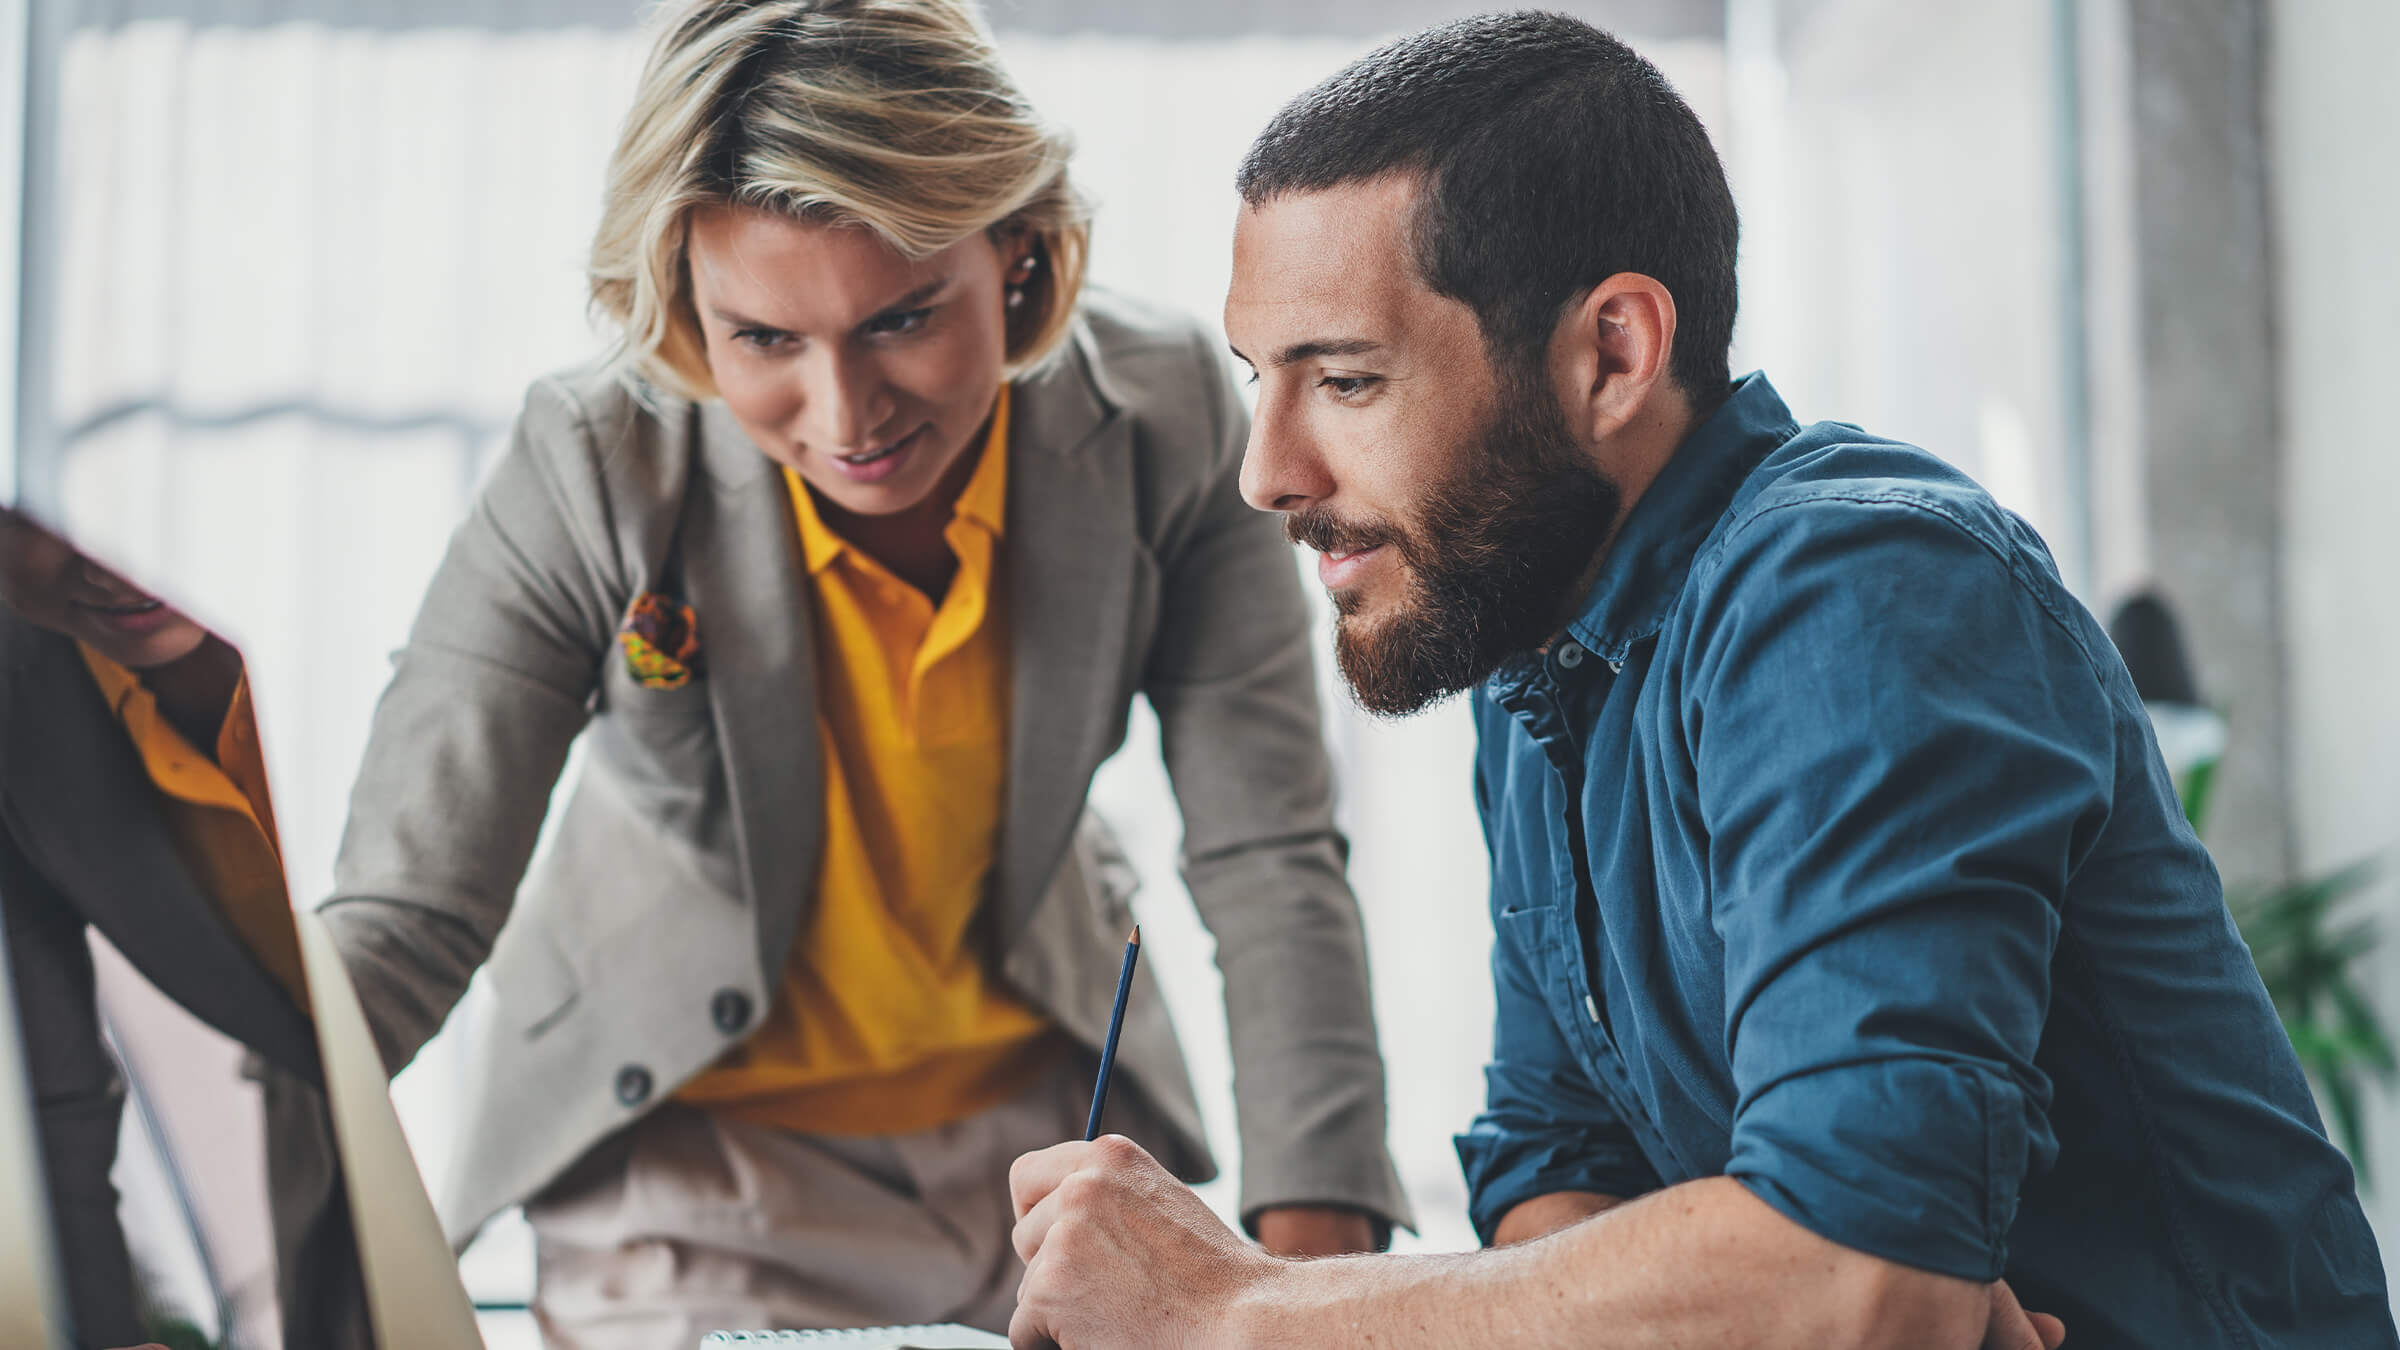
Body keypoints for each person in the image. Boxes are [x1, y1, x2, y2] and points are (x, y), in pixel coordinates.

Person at [1004, 13, 2395, 1350]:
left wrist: (1239, 1311)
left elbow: (1860, 1278)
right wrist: (1775, 1284)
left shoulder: (1857, 592)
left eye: (1348, 381)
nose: (1266, 473)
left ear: (1612, 352)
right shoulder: (1533, 635)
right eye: (1260, 378)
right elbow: (1562, 1161)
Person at [317, 1, 1406, 1343]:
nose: (846, 416)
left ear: (1015, 252)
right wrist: (199, 1211)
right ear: (683, 298)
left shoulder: (1165, 411)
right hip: (692, 1162)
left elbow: (1268, 848)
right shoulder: (592, 462)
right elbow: (406, 917)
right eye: (764, 338)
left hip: (1046, 1142)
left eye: (902, 318)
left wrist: (1313, 1283)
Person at [0, 509, 367, 1350]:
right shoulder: (21, 675)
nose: (104, 560)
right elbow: (45, 1074)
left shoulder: (352, 589)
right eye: (32, 519)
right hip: (303, 1149)